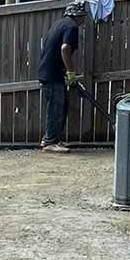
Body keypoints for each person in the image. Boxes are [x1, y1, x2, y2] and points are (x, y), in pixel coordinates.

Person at [37, 10, 80, 153]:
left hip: (50, 72)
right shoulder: (72, 26)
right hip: (52, 73)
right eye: (84, 17)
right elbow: (65, 48)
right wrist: (70, 71)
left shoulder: (60, 23)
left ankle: (53, 138)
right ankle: (49, 142)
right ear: (78, 16)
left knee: (61, 106)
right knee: (56, 107)